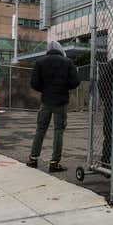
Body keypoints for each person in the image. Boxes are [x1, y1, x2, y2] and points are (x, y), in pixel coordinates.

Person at [27, 41, 80, 172]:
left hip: (46, 101)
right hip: (61, 101)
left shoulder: (40, 62)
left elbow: (34, 83)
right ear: (60, 49)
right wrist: (64, 87)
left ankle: (33, 159)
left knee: (40, 129)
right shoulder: (67, 62)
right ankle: (54, 162)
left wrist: (45, 89)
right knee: (58, 131)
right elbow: (75, 82)